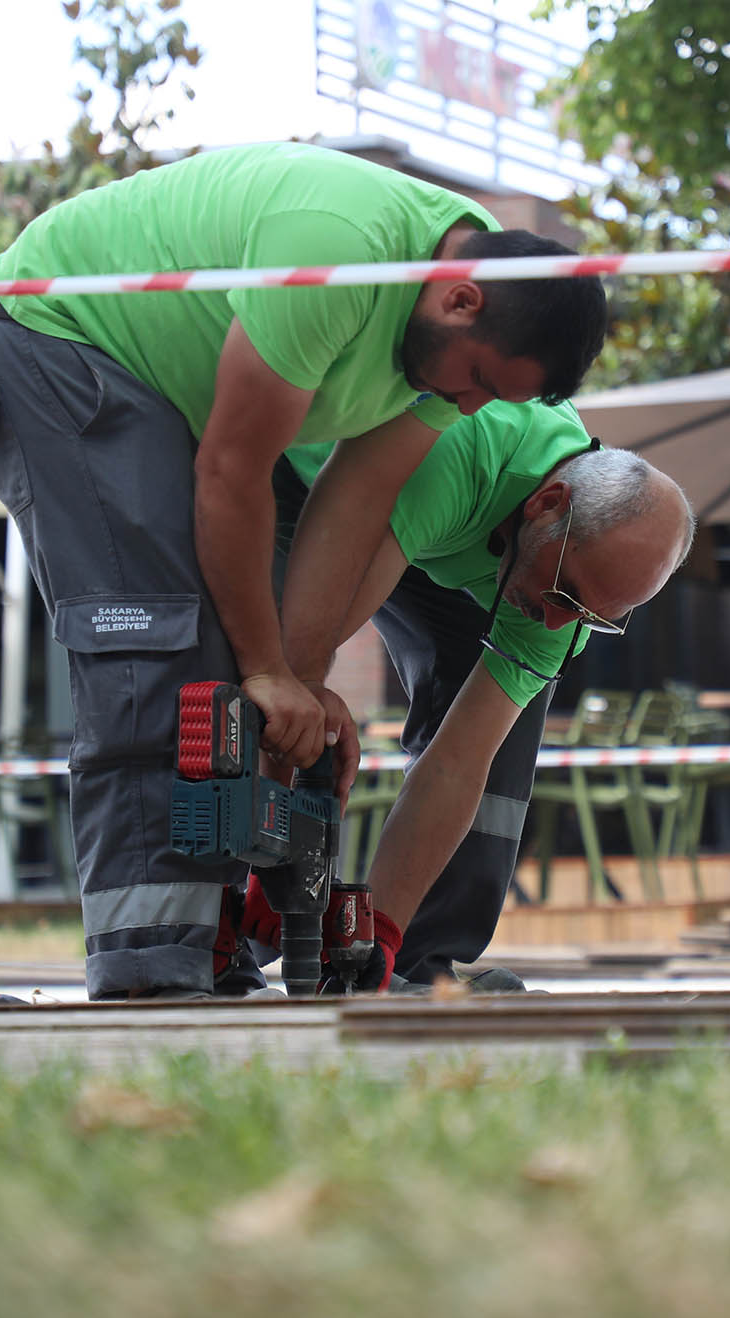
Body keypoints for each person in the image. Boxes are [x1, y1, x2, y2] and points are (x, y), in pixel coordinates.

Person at [0, 141, 607, 999]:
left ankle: (207, 951)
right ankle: (152, 965)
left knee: (228, 667)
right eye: (475, 381)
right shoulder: (341, 256)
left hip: (156, 391)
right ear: (460, 300)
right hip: (54, 344)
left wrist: (297, 680)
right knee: (160, 641)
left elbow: (352, 506)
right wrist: (264, 669)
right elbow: (232, 468)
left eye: (487, 398)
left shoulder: (446, 336)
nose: (469, 407)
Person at [240, 399, 695, 990]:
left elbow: (459, 761)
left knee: (501, 736)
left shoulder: (568, 593)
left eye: (592, 617)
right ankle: (220, 936)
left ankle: (407, 957)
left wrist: (379, 935)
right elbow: (300, 671)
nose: (561, 624)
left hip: (466, 543)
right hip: (319, 480)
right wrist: (273, 849)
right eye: (567, 596)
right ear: (547, 504)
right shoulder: (463, 451)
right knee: (266, 678)